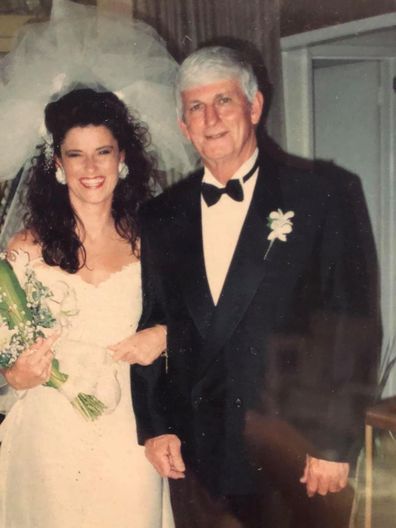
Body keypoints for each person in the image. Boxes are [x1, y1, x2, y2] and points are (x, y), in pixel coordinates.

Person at [132, 46, 381, 527]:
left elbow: (352, 327)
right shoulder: (161, 215)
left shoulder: (323, 193)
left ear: (255, 106)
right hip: (196, 452)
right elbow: (154, 322)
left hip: (291, 449)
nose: (210, 118)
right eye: (195, 108)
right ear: (183, 125)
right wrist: (156, 428)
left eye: (223, 100)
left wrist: (332, 441)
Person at [0, 88, 174, 528]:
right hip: (50, 428)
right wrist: (17, 374)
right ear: (58, 164)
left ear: (122, 158)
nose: (91, 168)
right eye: (76, 155)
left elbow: (194, 321)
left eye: (103, 152)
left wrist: (165, 335)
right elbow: (5, 347)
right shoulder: (27, 249)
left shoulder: (154, 243)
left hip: (129, 429)